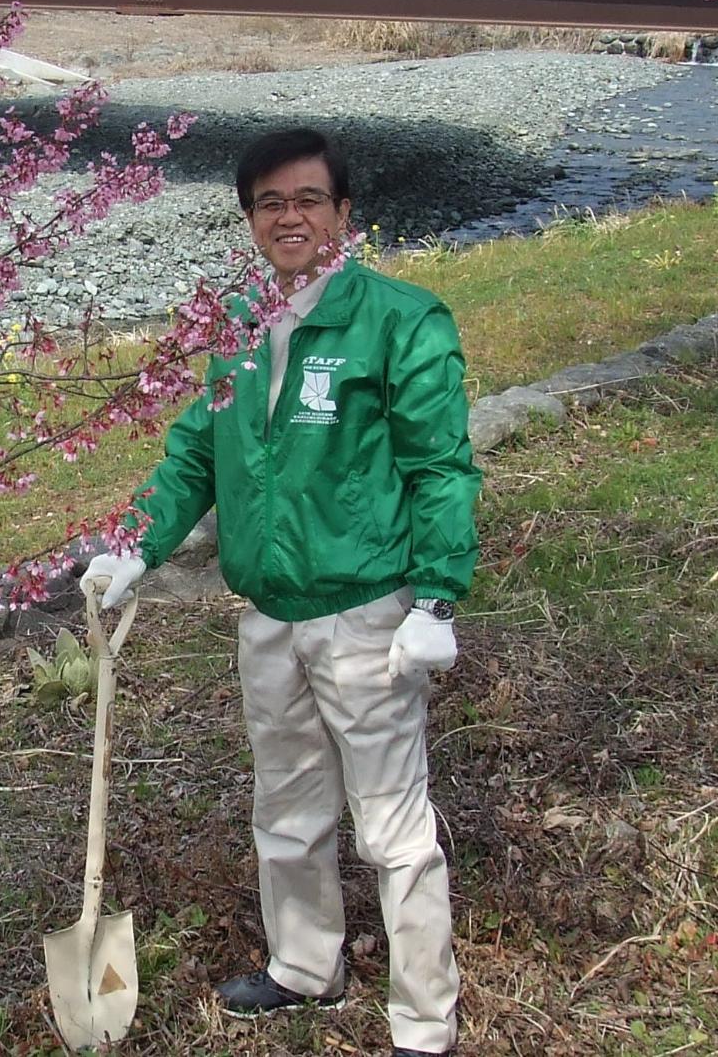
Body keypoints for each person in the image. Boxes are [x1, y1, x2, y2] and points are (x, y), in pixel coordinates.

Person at [84, 126, 480, 1057]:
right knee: (288, 809)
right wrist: (138, 544)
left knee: (393, 826)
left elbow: (440, 467)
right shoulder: (236, 325)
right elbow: (195, 449)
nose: (288, 216)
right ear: (252, 221)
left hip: (367, 615)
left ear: (345, 214)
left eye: (308, 200)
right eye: (270, 203)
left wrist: (436, 599)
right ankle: (306, 966)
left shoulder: (401, 321)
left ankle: (425, 1019)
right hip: (268, 614)